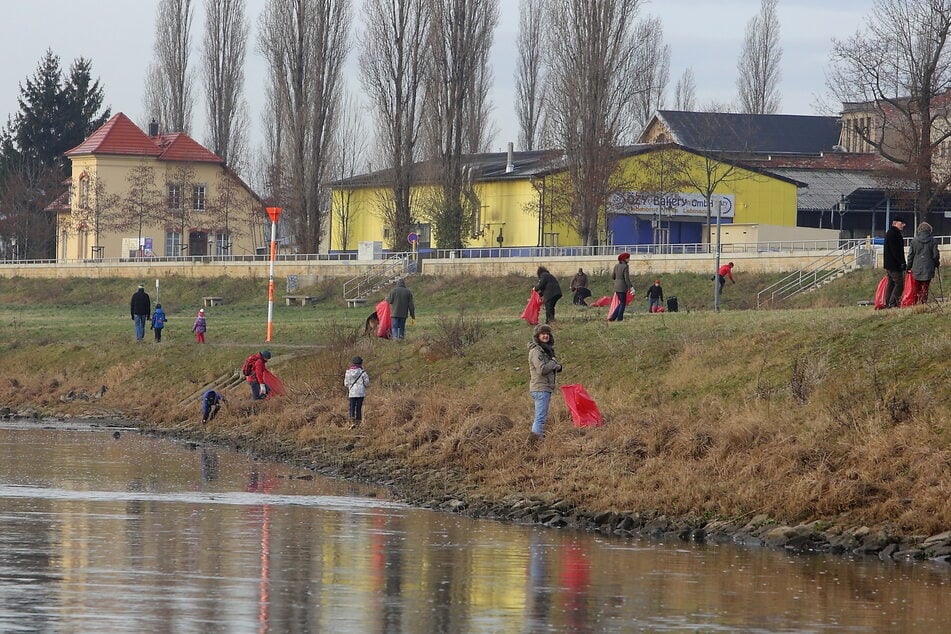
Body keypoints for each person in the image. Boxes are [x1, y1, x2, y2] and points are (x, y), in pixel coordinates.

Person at [527, 323, 562, 442]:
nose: (545, 336)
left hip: (544, 388)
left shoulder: (545, 350)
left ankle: (537, 439)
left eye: (547, 333)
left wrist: (557, 367)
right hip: (540, 389)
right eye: (542, 334)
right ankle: (536, 441)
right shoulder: (536, 351)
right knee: (540, 418)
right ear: (537, 336)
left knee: (540, 417)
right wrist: (553, 363)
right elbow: (542, 369)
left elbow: (548, 367)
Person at [907, 221, 940, 304]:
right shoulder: (933, 241)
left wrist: (908, 266)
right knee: (925, 287)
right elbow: (935, 255)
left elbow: (910, 255)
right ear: (929, 230)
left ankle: (915, 303)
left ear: (919, 230)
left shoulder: (914, 241)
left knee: (916, 287)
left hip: (916, 267)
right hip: (928, 267)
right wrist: (936, 263)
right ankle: (923, 302)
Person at [883, 216, 908, 308]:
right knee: (899, 284)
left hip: (889, 264)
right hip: (894, 264)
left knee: (891, 284)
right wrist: (902, 262)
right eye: (901, 223)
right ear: (895, 223)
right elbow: (896, 251)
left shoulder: (890, 233)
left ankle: (887, 302)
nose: (903, 225)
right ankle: (893, 303)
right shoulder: (894, 234)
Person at [344, 356, 370, 425]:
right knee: (358, 408)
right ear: (361, 363)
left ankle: (352, 422)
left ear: (352, 363)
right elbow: (367, 383)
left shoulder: (348, 372)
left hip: (352, 393)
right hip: (360, 393)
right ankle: (358, 423)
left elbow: (346, 384)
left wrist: (350, 387)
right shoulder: (363, 372)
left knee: (352, 407)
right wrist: (363, 386)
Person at [609, 252, 632, 321]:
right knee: (623, 303)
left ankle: (613, 317)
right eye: (628, 258)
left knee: (621, 302)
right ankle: (620, 318)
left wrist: (617, 279)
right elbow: (626, 278)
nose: (629, 259)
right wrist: (631, 287)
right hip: (622, 287)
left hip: (616, 286)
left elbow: (613, 276)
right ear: (624, 259)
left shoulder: (616, 266)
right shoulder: (625, 266)